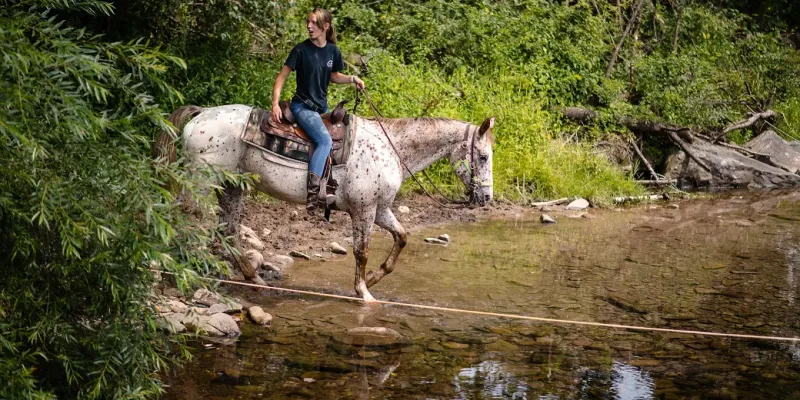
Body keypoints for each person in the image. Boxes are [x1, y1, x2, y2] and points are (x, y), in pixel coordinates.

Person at [271, 8, 365, 215]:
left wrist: (352, 79)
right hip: (302, 107)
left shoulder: (333, 51)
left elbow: (333, 76)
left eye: (313, 22)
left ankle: (328, 186)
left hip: (322, 109)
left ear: (326, 26)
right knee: (324, 141)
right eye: (308, 22)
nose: (309, 26)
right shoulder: (300, 50)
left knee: (338, 140)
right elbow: (281, 77)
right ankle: (313, 194)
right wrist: (275, 104)